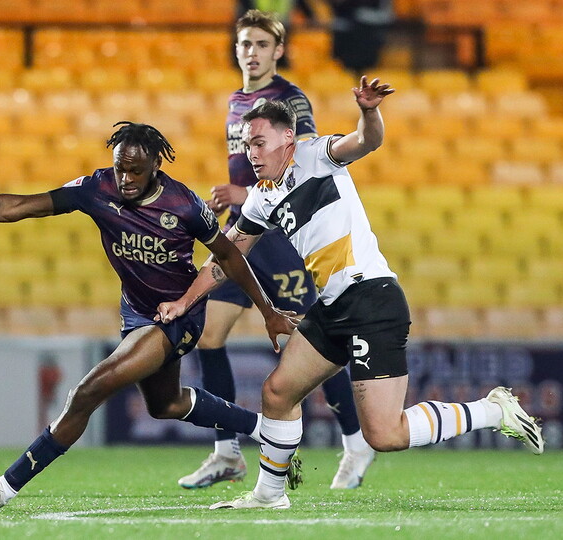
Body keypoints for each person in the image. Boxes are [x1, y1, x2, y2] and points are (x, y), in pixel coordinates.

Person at [157, 79, 545, 510]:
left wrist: (369, 110)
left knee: (385, 435)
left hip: (372, 300)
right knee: (278, 393)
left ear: (288, 138)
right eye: (248, 144)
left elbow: (366, 141)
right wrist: (184, 302)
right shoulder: (262, 199)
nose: (252, 152)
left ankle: (494, 410)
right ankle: (269, 496)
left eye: (260, 142)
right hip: (333, 305)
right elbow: (225, 258)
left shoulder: (315, 156)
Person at [0, 122, 299, 509]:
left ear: (156, 164)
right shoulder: (96, 189)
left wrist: (267, 311)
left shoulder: (183, 204)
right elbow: (18, 207)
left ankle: (2, 489)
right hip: (136, 313)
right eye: (120, 169)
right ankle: (269, 432)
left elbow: (227, 254)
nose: (126, 179)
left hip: (178, 317)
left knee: (87, 391)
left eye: (135, 171)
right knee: (166, 403)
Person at [178, 9, 375, 491]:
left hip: (281, 240)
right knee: (208, 335)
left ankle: (356, 441)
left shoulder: (289, 99)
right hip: (244, 234)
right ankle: (227, 453)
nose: (251, 52)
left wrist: (243, 195)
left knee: (309, 344)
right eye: (245, 43)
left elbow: (300, 167)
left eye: (261, 44)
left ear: (278, 50)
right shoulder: (236, 99)